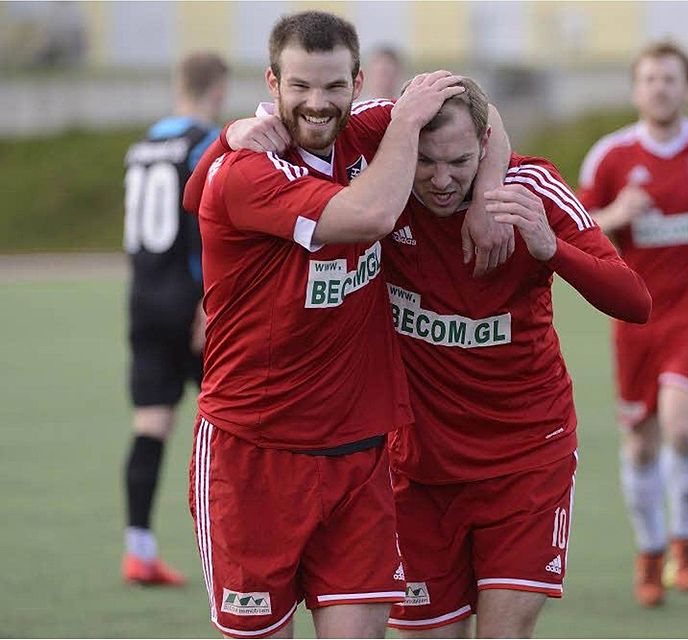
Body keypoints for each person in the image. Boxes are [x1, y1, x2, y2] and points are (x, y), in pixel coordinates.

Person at [208, 77, 652, 638]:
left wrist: (550, 247)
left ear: (485, 146)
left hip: (526, 460)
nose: (442, 180)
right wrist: (232, 132)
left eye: (460, 162)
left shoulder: (530, 189)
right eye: (426, 162)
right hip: (417, 470)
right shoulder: (376, 192)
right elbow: (294, 136)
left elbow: (634, 301)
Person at [181, 12, 512, 638]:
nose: (318, 102)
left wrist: (487, 199)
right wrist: (405, 123)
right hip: (254, 452)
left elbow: (480, 112)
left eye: (334, 85)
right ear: (272, 83)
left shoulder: (366, 130)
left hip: (358, 452)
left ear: (357, 83)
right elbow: (371, 214)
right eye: (301, 85)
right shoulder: (249, 171)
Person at [577, 42, 688, 608]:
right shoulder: (610, 157)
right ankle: (649, 552)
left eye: (670, 79)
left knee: (682, 430)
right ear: (636, 89)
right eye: (650, 79)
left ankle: (685, 540)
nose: (660, 88)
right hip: (637, 317)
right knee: (640, 446)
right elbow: (579, 226)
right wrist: (617, 215)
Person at [120, 51, 228, 587]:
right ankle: (238, 551)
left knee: (151, 424)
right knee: (233, 423)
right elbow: (206, 230)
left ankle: (138, 549)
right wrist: (209, 303)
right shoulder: (205, 142)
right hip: (190, 307)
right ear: (217, 89)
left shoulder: (141, 146)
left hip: (142, 300)